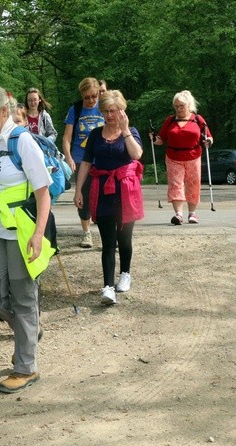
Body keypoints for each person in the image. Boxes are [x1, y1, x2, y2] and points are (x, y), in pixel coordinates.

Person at [0, 84, 56, 394]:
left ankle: (25, 368)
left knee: (23, 295)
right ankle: (28, 329)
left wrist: (37, 234)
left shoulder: (23, 142)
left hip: (21, 229)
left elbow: (42, 192)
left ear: (4, 111)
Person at [74, 90, 144, 305]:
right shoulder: (95, 134)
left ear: (122, 111)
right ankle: (107, 286)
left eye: (113, 111)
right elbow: (86, 162)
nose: (109, 115)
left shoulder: (130, 131)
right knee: (107, 241)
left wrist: (125, 131)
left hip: (125, 190)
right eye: (105, 111)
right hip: (102, 189)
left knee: (124, 238)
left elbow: (136, 155)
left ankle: (125, 273)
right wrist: (78, 190)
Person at [152, 90, 213, 225]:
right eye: (176, 106)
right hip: (173, 157)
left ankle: (192, 214)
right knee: (176, 184)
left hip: (193, 156)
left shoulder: (198, 119)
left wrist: (208, 141)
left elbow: (208, 136)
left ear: (189, 105)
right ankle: (178, 215)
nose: (178, 109)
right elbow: (161, 140)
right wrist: (153, 139)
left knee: (193, 184)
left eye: (181, 106)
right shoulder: (170, 120)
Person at [62, 77, 105, 248]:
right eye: (87, 97)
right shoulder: (76, 109)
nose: (91, 100)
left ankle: (105, 234)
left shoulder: (103, 107)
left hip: (102, 158)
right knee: (83, 196)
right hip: (81, 158)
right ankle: (86, 233)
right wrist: (69, 157)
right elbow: (66, 137)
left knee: (103, 197)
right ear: (81, 95)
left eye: (94, 96)